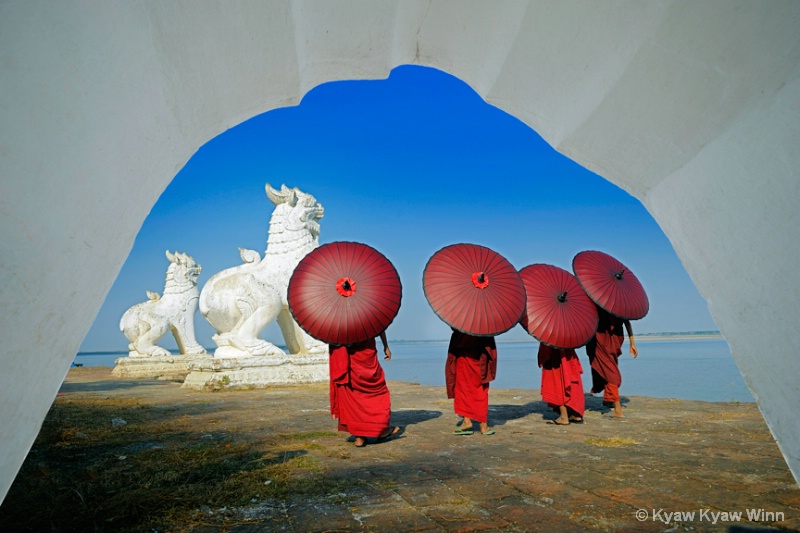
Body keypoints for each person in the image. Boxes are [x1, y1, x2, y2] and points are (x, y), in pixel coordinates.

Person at [328, 331, 403, 447]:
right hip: (367, 357)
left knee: (354, 396)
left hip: (350, 360)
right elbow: (379, 325)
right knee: (379, 393)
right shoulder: (366, 314)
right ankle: (381, 430)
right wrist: (385, 345)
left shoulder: (340, 321)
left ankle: (359, 437)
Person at [585, 306, 638, 418]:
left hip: (606, 343)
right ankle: (608, 399)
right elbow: (627, 323)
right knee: (607, 368)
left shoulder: (601, 304)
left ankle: (618, 410)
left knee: (610, 372)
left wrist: (632, 343)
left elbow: (626, 322)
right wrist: (632, 343)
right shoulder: (616, 305)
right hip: (604, 342)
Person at [446, 329, 497, 435]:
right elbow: (489, 346)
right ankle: (483, 425)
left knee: (463, 389)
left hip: (464, 358)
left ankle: (467, 421)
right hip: (480, 360)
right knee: (481, 391)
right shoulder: (485, 324)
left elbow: (456, 333)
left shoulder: (463, 322)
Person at [538, 343, 585, 425]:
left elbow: (545, 353)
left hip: (555, 358)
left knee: (557, 384)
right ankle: (575, 415)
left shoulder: (551, 333)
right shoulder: (570, 332)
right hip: (569, 356)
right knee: (572, 383)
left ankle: (564, 417)